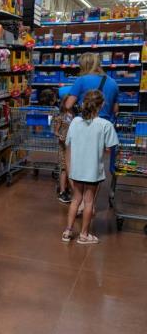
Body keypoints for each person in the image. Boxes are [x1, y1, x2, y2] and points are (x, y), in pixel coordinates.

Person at [62, 90, 119, 244]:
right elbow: (111, 147)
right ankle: (84, 235)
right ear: (101, 105)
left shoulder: (75, 122)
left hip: (77, 168)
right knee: (88, 202)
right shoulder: (105, 125)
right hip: (92, 170)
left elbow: (69, 143)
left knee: (76, 200)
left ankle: (67, 232)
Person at [65, 52, 119, 122]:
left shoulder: (82, 80)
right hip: (105, 124)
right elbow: (115, 110)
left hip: (86, 123)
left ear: (83, 66)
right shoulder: (113, 82)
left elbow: (68, 105)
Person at [53, 95, 74, 203]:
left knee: (71, 168)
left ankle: (68, 189)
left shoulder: (75, 116)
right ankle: (62, 192)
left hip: (73, 146)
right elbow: (55, 131)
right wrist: (59, 136)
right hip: (63, 146)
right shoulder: (60, 116)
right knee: (64, 168)